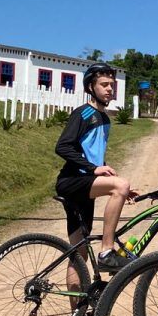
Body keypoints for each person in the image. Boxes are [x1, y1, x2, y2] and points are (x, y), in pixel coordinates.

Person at [55, 63, 137, 275]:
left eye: (112, 84)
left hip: (85, 186)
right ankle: (107, 253)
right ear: (91, 87)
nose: (109, 88)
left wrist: (108, 176)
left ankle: (78, 309)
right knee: (120, 186)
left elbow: (92, 153)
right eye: (104, 84)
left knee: (79, 255)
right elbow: (62, 146)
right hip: (72, 181)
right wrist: (96, 171)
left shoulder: (105, 119)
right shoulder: (83, 114)